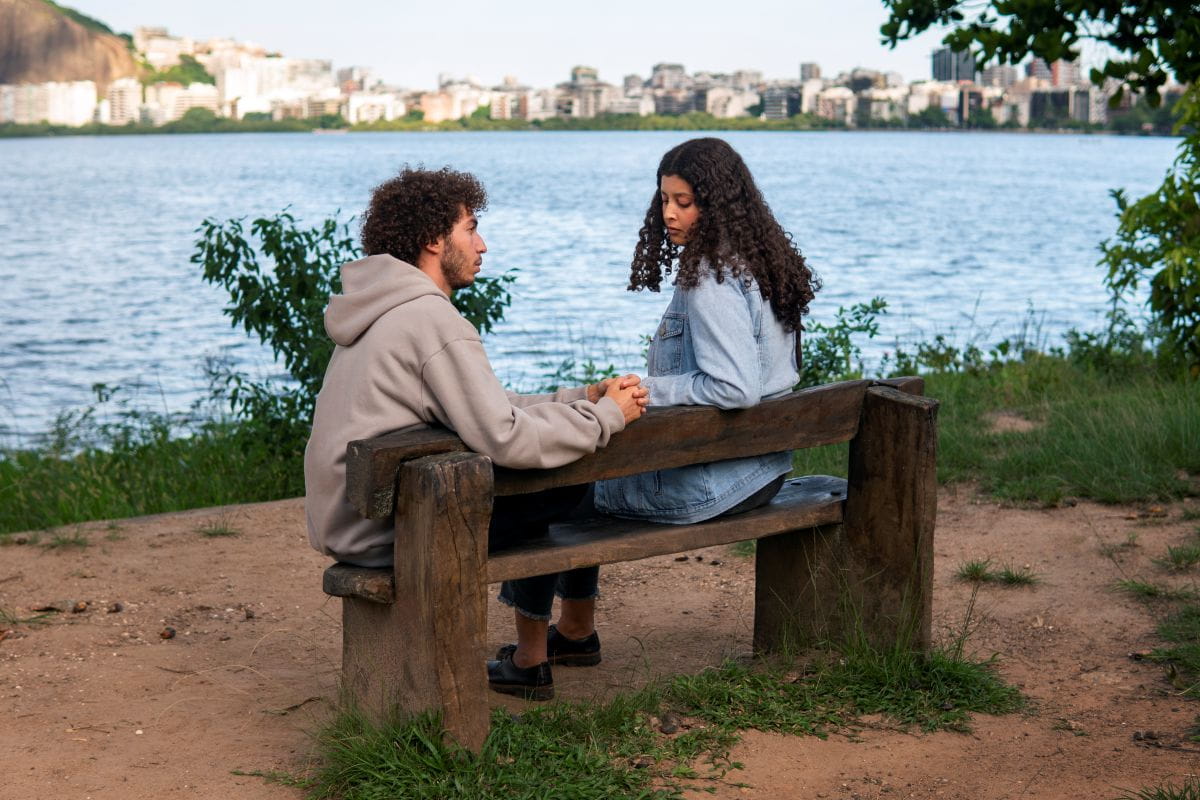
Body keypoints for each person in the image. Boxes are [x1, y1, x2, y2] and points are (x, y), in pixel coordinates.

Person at [303, 166, 648, 701]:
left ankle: (550, 643)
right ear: (434, 240)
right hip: (394, 531)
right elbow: (505, 435)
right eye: (471, 228)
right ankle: (561, 636)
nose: (482, 244)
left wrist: (581, 399)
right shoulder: (431, 320)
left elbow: (488, 408)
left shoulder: (384, 313)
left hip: (356, 518)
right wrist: (607, 420)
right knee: (570, 477)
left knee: (556, 458)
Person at [594, 137, 819, 522]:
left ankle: (572, 587)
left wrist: (645, 390)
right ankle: (579, 587)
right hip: (764, 471)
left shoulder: (711, 276)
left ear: (718, 205)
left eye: (684, 203)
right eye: (664, 200)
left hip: (712, 483)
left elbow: (736, 389)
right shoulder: (759, 259)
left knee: (559, 486)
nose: (669, 214)